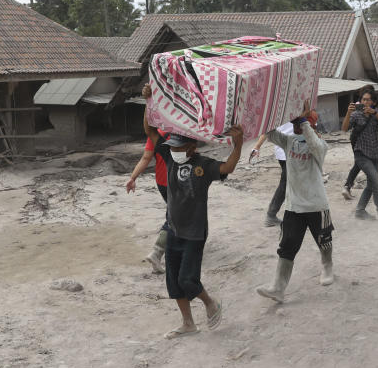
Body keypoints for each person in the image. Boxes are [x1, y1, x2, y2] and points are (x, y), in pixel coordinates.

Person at [141, 83, 244, 339]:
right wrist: (149, 101)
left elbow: (227, 168)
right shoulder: (167, 154)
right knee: (174, 283)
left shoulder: (203, 165)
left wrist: (238, 144)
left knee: (189, 280)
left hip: (195, 233)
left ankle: (210, 304)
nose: (174, 150)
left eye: (179, 147)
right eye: (172, 147)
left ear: (192, 148)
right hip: (174, 229)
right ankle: (188, 323)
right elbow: (151, 131)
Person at [256, 107, 335, 303]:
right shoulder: (289, 142)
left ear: (310, 124)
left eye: (299, 123)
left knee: (324, 240)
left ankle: (327, 265)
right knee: (287, 245)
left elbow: (314, 143)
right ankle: (278, 287)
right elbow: (270, 133)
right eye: (294, 123)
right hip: (294, 206)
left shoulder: (320, 146)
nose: (295, 127)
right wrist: (267, 113)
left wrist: (304, 122)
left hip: (317, 204)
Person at [126, 127, 170, 273]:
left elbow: (146, 157)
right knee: (176, 216)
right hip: (179, 181)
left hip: (162, 181)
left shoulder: (156, 133)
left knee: (178, 213)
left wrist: (132, 178)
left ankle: (173, 246)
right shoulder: (182, 129)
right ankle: (157, 252)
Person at [341, 87, 378, 220]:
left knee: (371, 184)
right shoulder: (356, 115)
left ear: (373, 102)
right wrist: (348, 113)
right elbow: (344, 129)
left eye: (368, 100)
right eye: (363, 100)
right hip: (361, 154)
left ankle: (360, 211)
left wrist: (373, 112)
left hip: (375, 154)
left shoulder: (375, 114)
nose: (366, 102)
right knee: (377, 183)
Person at [249, 121, 296, 227]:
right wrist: (256, 146)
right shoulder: (291, 108)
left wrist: (257, 146)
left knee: (292, 183)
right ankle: (271, 215)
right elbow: (267, 130)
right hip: (288, 152)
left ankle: (296, 215)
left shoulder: (279, 108)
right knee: (286, 184)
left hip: (288, 151)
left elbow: (267, 129)